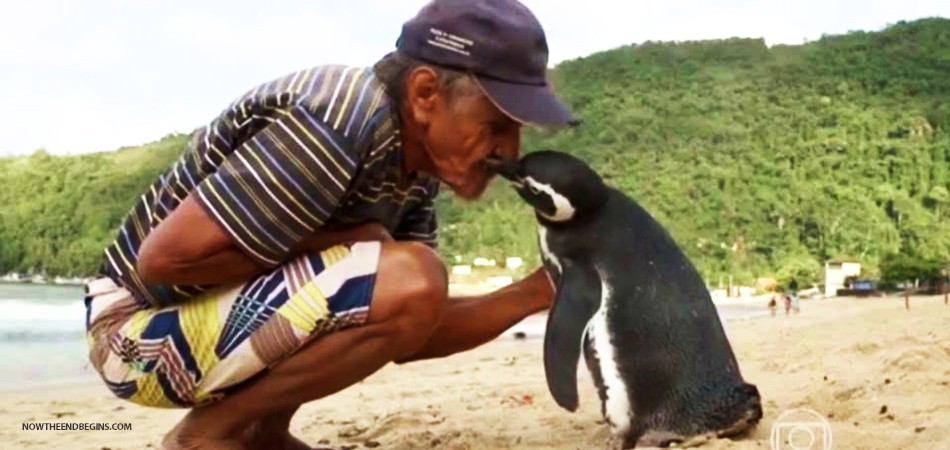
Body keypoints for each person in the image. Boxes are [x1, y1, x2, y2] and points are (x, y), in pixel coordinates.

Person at [81, 1, 578, 448]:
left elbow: (409, 327)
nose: (508, 152)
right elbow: (164, 262)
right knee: (412, 273)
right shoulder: (337, 119)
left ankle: (262, 432)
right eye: (495, 125)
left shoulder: (414, 170)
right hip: (132, 337)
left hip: (194, 331)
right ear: (426, 93)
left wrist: (538, 292)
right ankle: (209, 434)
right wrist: (351, 238)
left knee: (413, 278)